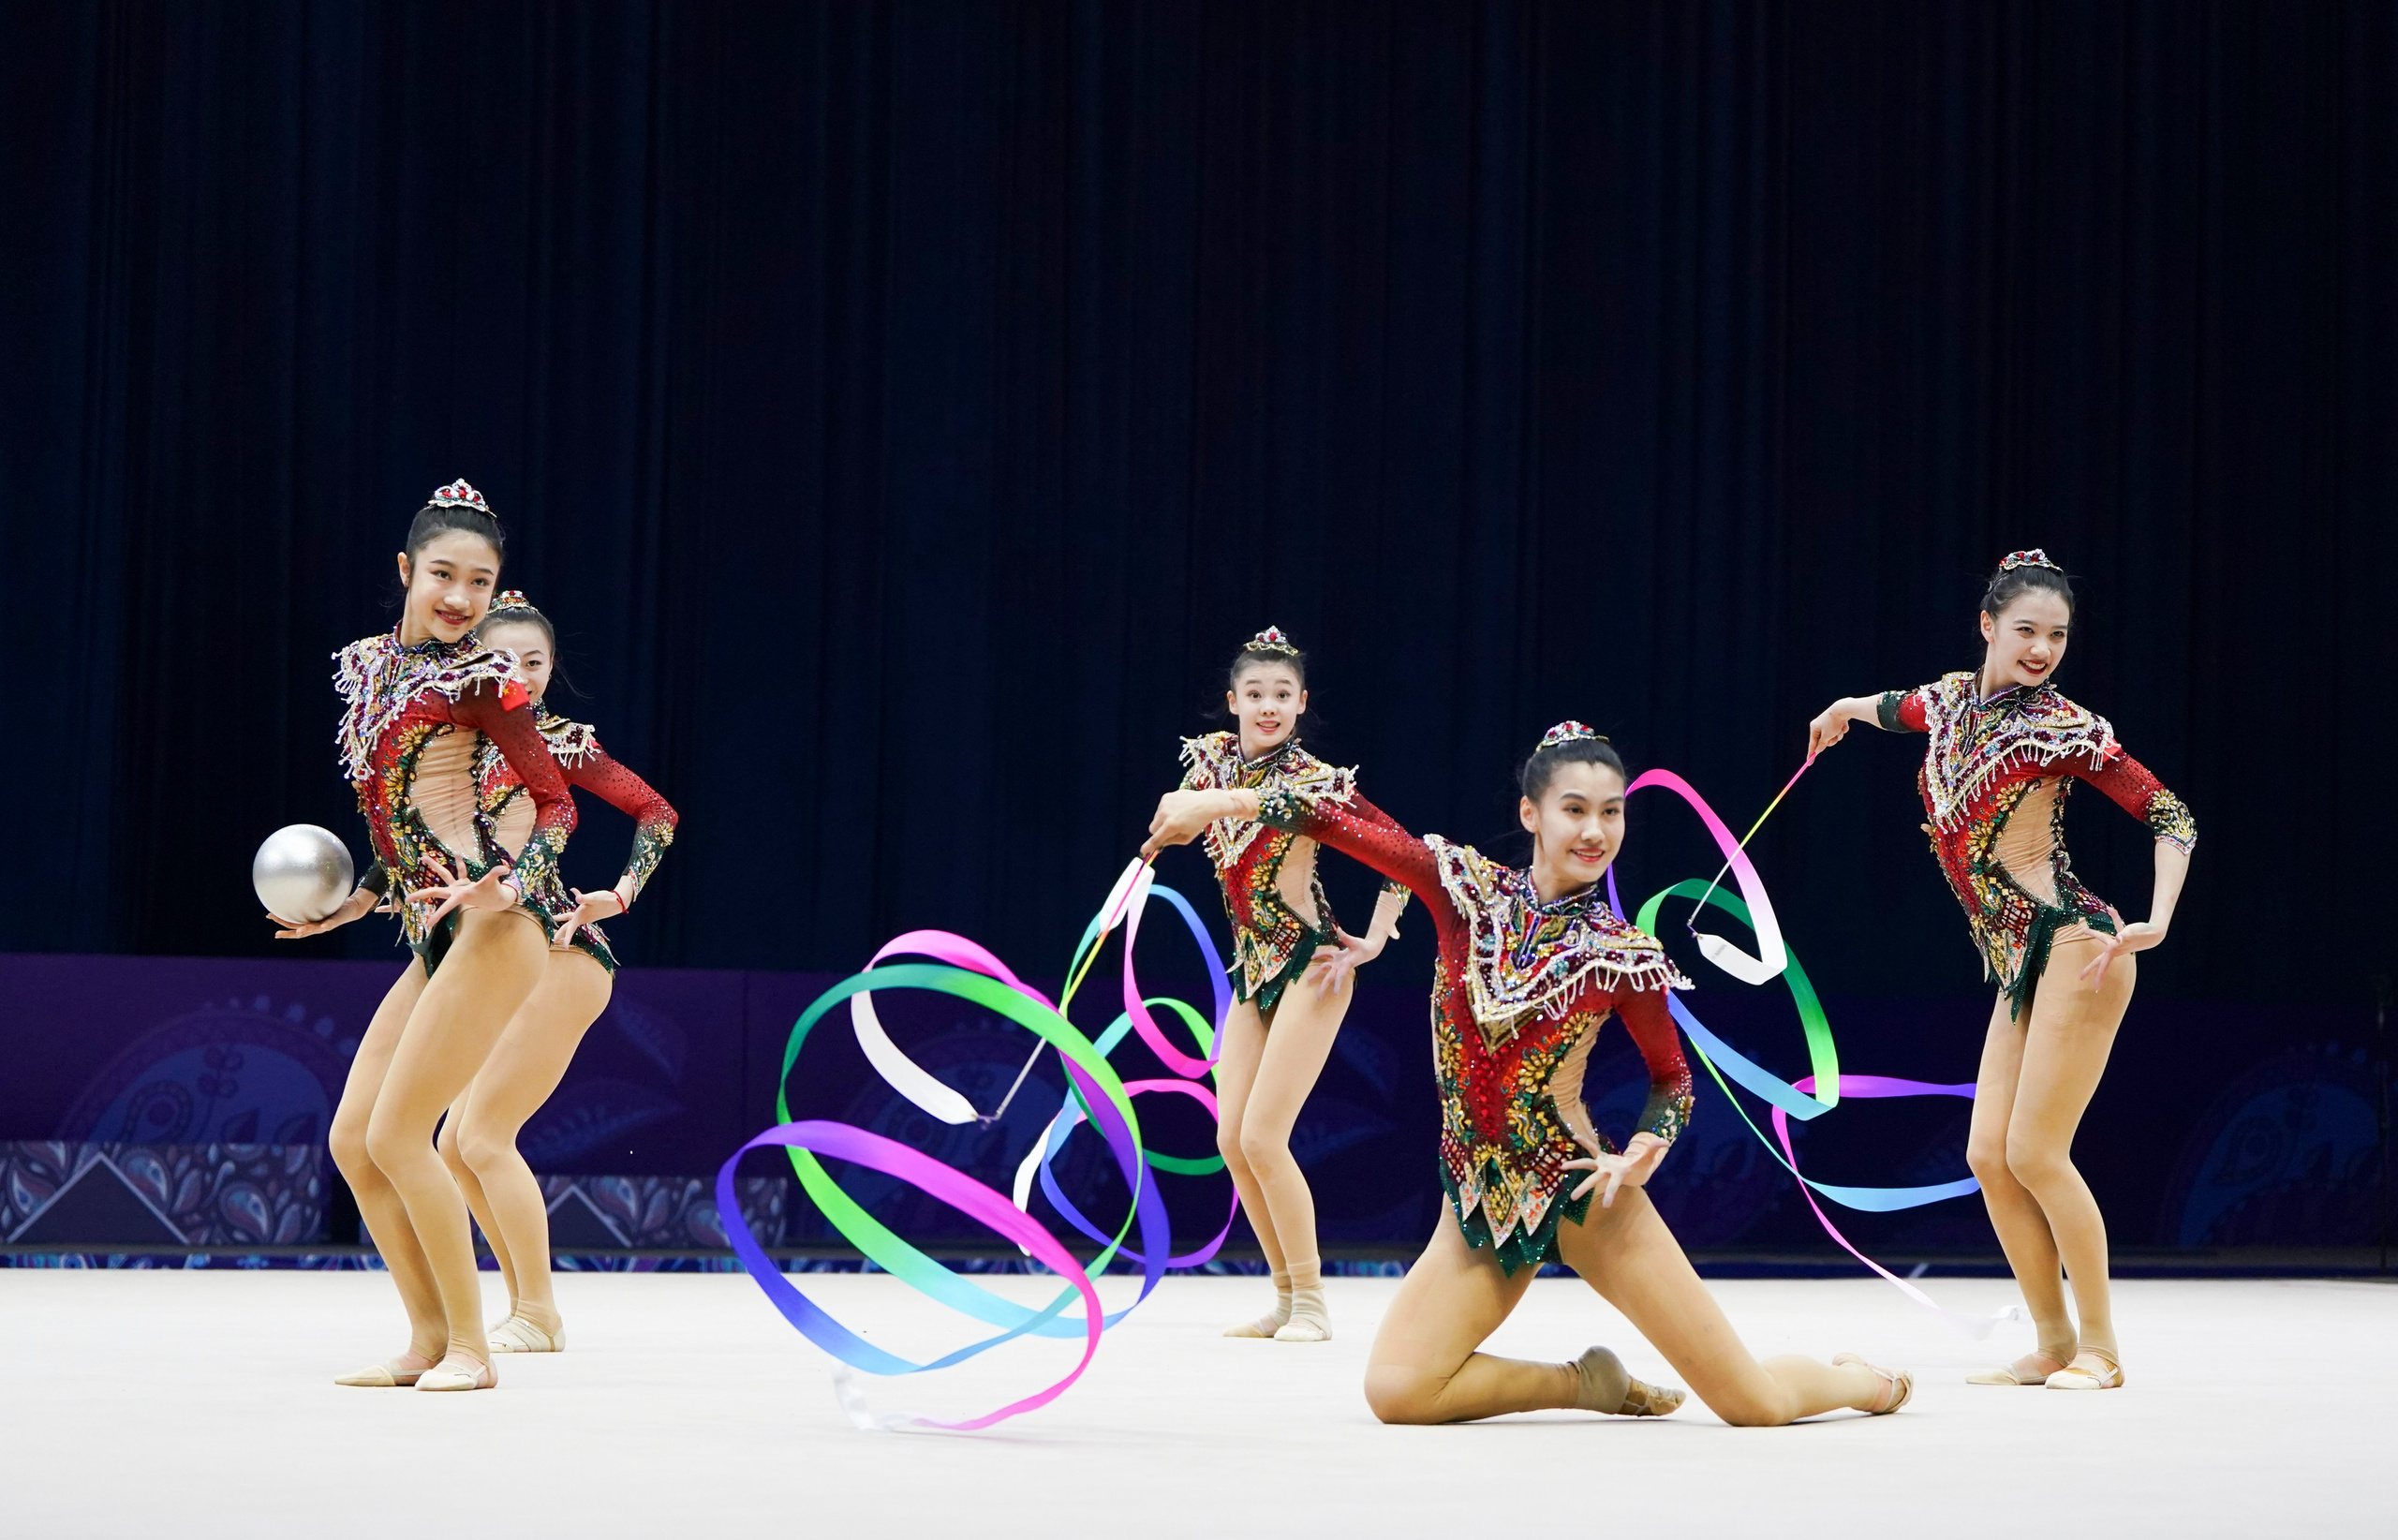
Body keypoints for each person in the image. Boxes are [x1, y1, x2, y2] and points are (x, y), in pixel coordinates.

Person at [1146, 722, 1910, 1425]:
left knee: (1755, 1407)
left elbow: (1671, 1080)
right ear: (1530, 815)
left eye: (1611, 813)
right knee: (1399, 1390)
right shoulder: (1462, 893)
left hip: (1584, 1197)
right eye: (1574, 809)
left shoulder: (1623, 955)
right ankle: (1585, 1384)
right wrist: (1217, 803)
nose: (1594, 830)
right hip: (1479, 1203)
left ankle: (1862, 1382)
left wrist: (1647, 1147)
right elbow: (1333, 819)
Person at [1805, 549, 2195, 1391]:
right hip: (2020, 959)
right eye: (2026, 630)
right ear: (1988, 626)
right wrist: (1840, 710)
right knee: (1989, 1155)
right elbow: (1891, 708)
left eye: (2056, 635)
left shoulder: (2060, 729)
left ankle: (2103, 1350)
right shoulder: (1946, 702)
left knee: (2037, 1152)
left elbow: (2169, 813)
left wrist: (2158, 918)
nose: (2042, 649)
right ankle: (2052, 1343)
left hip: (2076, 944)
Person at [271, 480, 573, 1392]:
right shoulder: (368, 669)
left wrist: (503, 880)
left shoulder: (486, 685)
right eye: (443, 574)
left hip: (501, 927)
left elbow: (554, 807)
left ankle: (476, 1351)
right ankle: (428, 1341)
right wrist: (357, 902)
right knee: (355, 1142)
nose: (460, 597)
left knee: (406, 1136)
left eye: (479, 583)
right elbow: (395, 817)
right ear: (406, 570)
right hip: (431, 935)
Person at [436, 590, 679, 1355]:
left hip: (562, 953)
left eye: (536, 662)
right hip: (497, 954)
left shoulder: (560, 743)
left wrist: (623, 892)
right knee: (450, 1143)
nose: (524, 675)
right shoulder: (452, 746)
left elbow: (657, 812)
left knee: (482, 1135)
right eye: (504, 660)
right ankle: (523, 1308)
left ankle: (538, 1314)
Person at [1174, 628, 1410, 1342]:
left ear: (1301, 704)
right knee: (1231, 1140)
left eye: (1282, 695)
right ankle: (1283, 1299)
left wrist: (1374, 939)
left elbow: (1401, 853)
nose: (1268, 706)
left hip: (1311, 964)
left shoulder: (1315, 782)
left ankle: (1312, 1302)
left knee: (1265, 1137)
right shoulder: (1210, 768)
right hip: (1252, 970)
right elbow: (1183, 825)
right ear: (1233, 702)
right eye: (1255, 695)